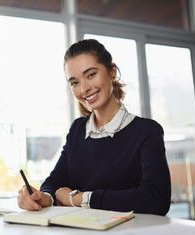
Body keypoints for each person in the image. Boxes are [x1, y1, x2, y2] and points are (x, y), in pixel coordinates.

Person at [17, 39, 171, 216]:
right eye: (74, 82)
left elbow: (156, 200)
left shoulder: (147, 131)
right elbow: (56, 182)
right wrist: (43, 197)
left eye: (91, 75)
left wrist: (78, 198)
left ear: (112, 72)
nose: (84, 89)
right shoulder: (77, 130)